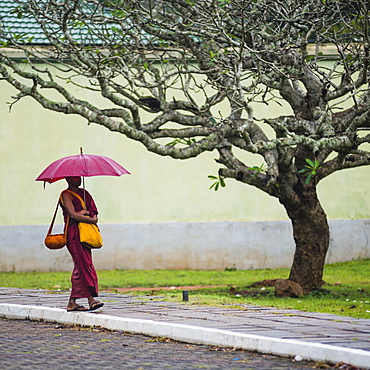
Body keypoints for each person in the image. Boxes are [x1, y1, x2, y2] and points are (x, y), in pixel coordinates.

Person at [60, 176, 104, 312]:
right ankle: (91, 300)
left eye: (79, 176)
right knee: (82, 264)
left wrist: (87, 215)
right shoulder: (65, 194)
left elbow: (94, 213)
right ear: (67, 178)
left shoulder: (85, 194)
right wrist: (86, 216)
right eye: (74, 177)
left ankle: (72, 302)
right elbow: (73, 215)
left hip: (85, 233)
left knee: (84, 264)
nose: (78, 179)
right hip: (73, 234)